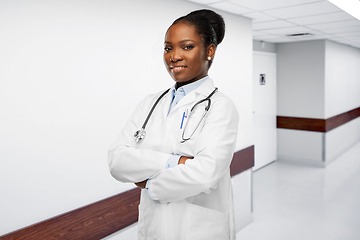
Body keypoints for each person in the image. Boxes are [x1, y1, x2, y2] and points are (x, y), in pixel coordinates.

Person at [108, 9, 239, 240]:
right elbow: (117, 161)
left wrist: (149, 184)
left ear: (209, 51)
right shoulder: (150, 103)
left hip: (198, 229)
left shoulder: (221, 106)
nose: (174, 56)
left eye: (187, 46)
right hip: (154, 226)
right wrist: (175, 161)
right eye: (168, 48)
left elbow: (206, 174)